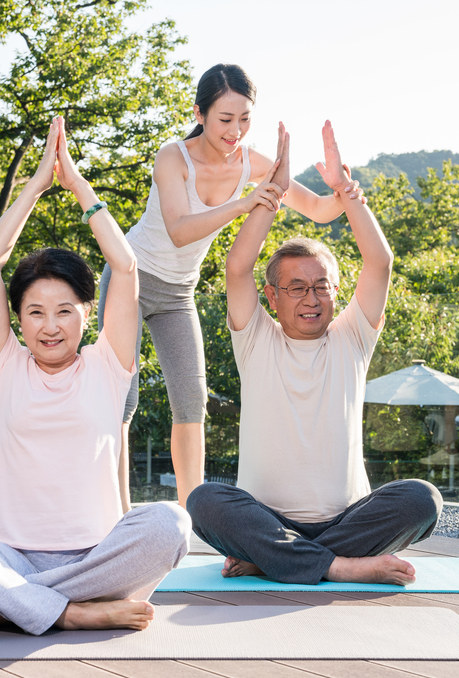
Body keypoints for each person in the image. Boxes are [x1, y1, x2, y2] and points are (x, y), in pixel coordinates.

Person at [0, 117, 191, 636]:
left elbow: (125, 267)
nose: (50, 326)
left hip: (97, 563)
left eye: (64, 311)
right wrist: (36, 185)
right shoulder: (5, 364)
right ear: (18, 319)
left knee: (171, 523)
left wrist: (78, 185)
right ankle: (69, 613)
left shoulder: (109, 365)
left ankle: (14, 607)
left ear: (87, 312)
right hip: (11, 558)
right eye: (35, 312)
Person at [98, 64, 367, 508]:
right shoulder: (173, 157)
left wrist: (342, 185)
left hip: (178, 292)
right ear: (200, 114)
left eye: (245, 119)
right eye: (225, 119)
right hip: (130, 277)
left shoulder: (251, 163)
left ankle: (191, 514)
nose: (236, 130)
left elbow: (320, 210)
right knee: (120, 400)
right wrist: (246, 202)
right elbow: (180, 229)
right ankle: (117, 515)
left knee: (191, 402)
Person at [186, 121, 442, 586]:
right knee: (204, 502)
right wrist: (275, 191)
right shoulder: (256, 338)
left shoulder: (352, 338)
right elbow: (236, 266)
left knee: (423, 500)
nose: (310, 298)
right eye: (297, 287)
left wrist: (347, 193)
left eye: (321, 286)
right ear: (272, 296)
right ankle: (337, 566)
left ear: (336, 291)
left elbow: (380, 262)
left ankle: (280, 561)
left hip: (347, 522)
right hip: (267, 520)